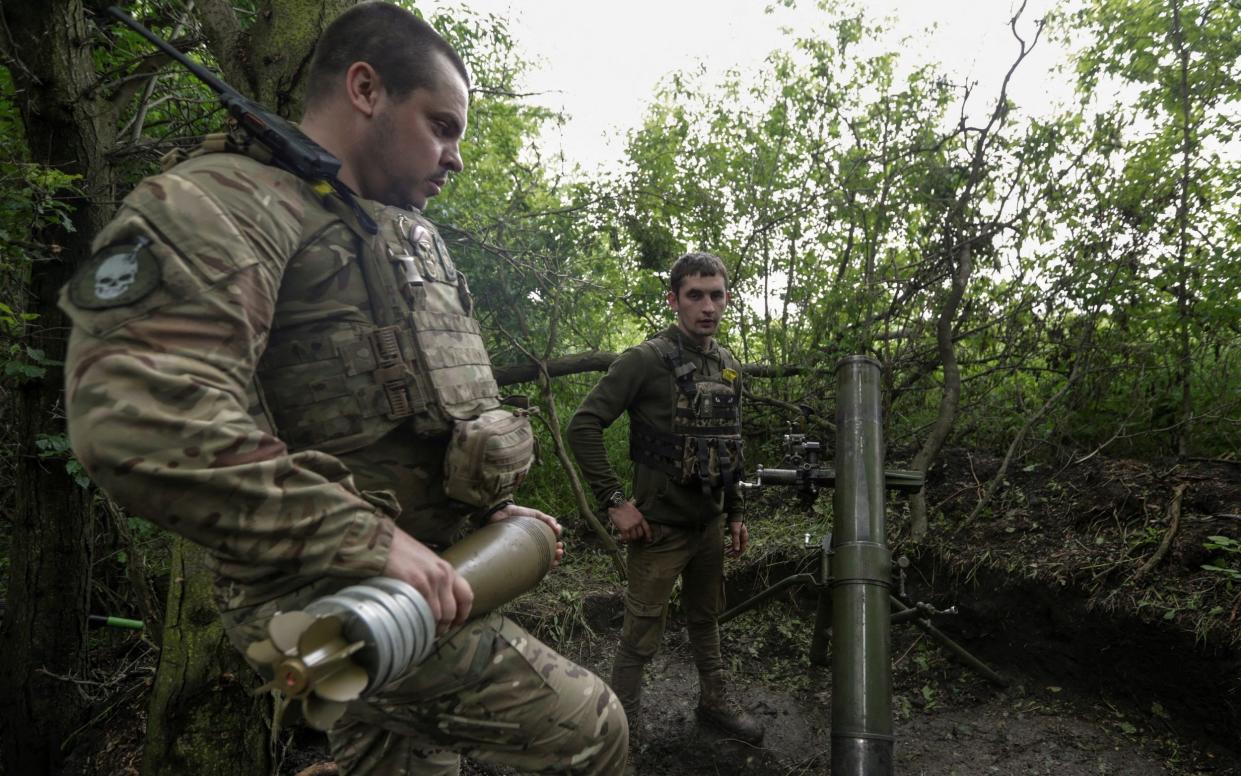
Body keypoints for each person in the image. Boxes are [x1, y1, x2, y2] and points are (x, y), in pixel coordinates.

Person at [60, 3, 626, 774]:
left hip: (420, 575)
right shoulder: (216, 204)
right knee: (587, 728)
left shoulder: (386, 232)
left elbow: (408, 418)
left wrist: (486, 516)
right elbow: (136, 423)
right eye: (442, 125)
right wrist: (368, 539)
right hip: (321, 601)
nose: (454, 156)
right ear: (365, 89)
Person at [566, 252, 764, 744]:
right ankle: (618, 728)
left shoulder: (729, 365)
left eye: (716, 295)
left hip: (710, 525)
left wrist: (736, 512)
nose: (707, 306)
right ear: (674, 299)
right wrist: (614, 500)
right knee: (640, 634)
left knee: (707, 618)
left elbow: (730, 446)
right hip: (659, 531)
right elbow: (583, 425)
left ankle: (714, 702)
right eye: (695, 295)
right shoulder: (645, 360)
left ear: (727, 299)